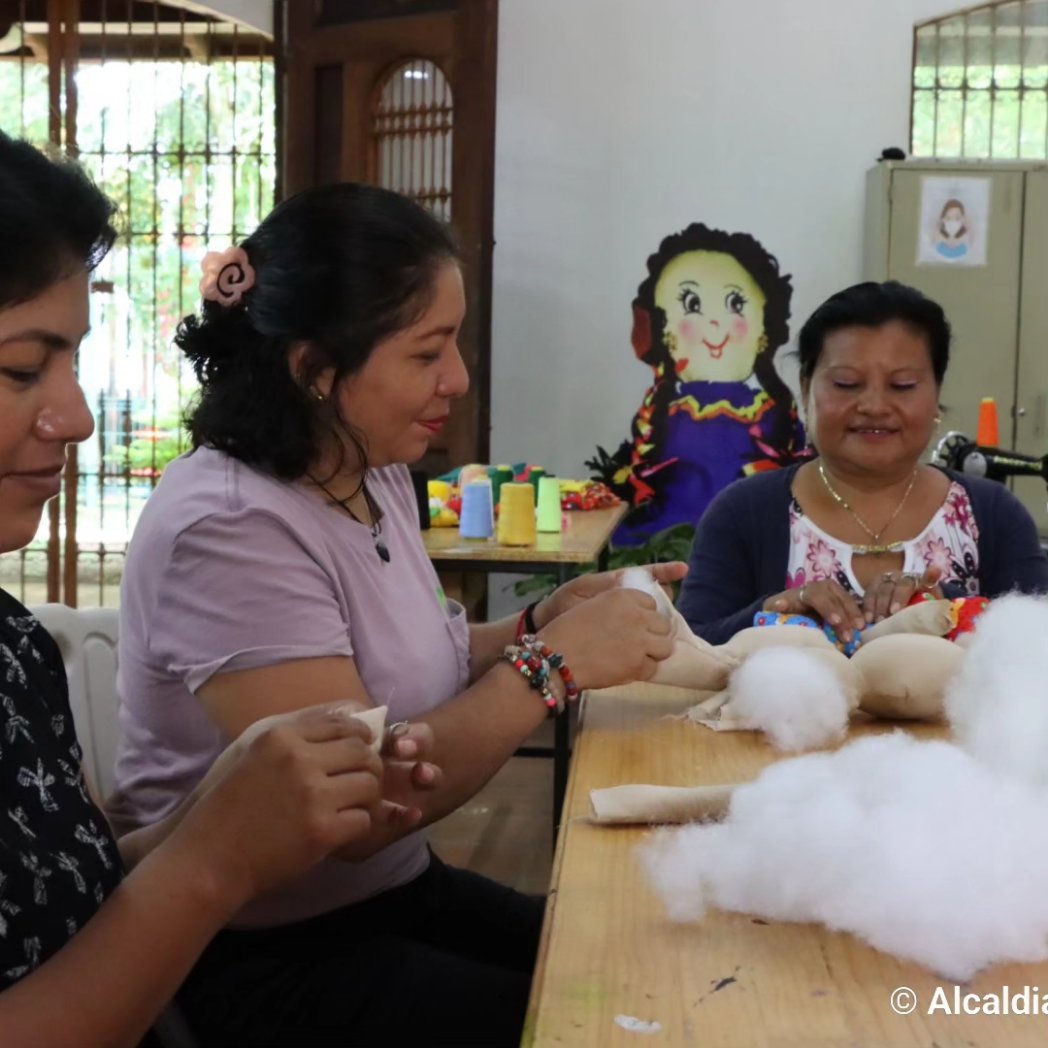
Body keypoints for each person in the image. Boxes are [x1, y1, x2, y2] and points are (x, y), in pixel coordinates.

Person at [108, 182, 683, 1046]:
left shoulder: (370, 469)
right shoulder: (230, 525)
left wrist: (534, 627)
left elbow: (419, 667)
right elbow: (355, 804)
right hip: (257, 954)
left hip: (389, 893)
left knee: (648, 968)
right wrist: (552, 666)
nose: (457, 377)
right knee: (605, 1022)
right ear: (314, 369)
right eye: (428, 352)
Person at [0, 132, 438, 1048]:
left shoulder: (14, 644)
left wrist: (234, 807)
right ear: (317, 367)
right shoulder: (228, 517)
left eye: (72, 362)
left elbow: (66, 901)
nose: (76, 417)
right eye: (20, 369)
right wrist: (211, 858)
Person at [677, 280, 1048, 645]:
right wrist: (771, 612)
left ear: (936, 393)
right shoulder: (744, 512)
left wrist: (947, 605)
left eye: (902, 385)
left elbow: (1038, 642)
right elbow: (689, 650)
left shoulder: (993, 515)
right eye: (846, 384)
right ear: (806, 389)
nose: (874, 406)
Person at [592, 223, 807, 545]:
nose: (715, 322)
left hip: (750, 553)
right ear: (666, 335)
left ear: (765, 329)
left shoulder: (776, 419)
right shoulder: (660, 415)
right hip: (665, 553)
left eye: (735, 303)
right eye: (692, 305)